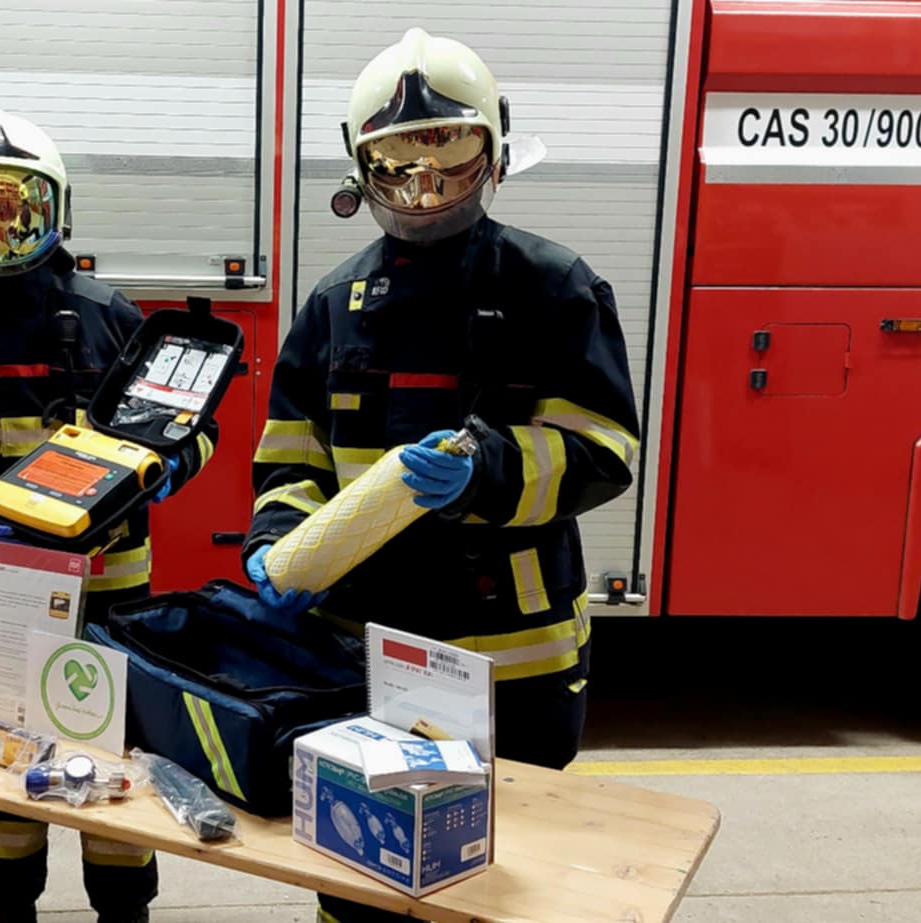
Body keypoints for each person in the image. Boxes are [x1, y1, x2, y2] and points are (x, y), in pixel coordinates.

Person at [241, 30, 641, 923]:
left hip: (514, 668)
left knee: (504, 883)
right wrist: (280, 540)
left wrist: (487, 472)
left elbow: (606, 447)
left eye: (449, 155)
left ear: (493, 154)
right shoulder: (333, 306)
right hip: (365, 653)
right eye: (397, 163)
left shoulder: (553, 288)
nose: (424, 188)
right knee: (357, 873)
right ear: (360, 168)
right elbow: (291, 456)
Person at [0, 111, 216, 923]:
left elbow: (193, 427)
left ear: (53, 210)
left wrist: (168, 467)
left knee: (113, 768)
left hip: (106, 598)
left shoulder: (110, 317)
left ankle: (123, 911)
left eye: (15, 207)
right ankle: (7, 911)